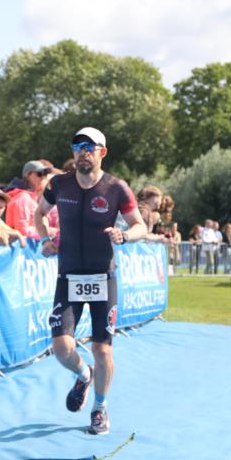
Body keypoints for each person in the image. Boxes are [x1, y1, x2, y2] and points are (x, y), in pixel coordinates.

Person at [34, 126, 147, 435]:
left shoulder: (116, 188)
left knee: (103, 350)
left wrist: (124, 235)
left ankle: (99, 408)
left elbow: (140, 227)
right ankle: (84, 375)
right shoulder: (58, 184)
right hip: (68, 275)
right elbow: (39, 214)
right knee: (61, 347)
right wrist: (46, 239)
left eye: (89, 146)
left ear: (102, 152)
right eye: (77, 146)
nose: (82, 151)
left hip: (103, 277)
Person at [6, 160, 58, 239]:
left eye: (45, 174)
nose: (43, 177)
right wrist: (51, 232)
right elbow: (23, 231)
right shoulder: (22, 198)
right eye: (39, 173)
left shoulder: (30, 197)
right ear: (28, 175)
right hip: (22, 249)